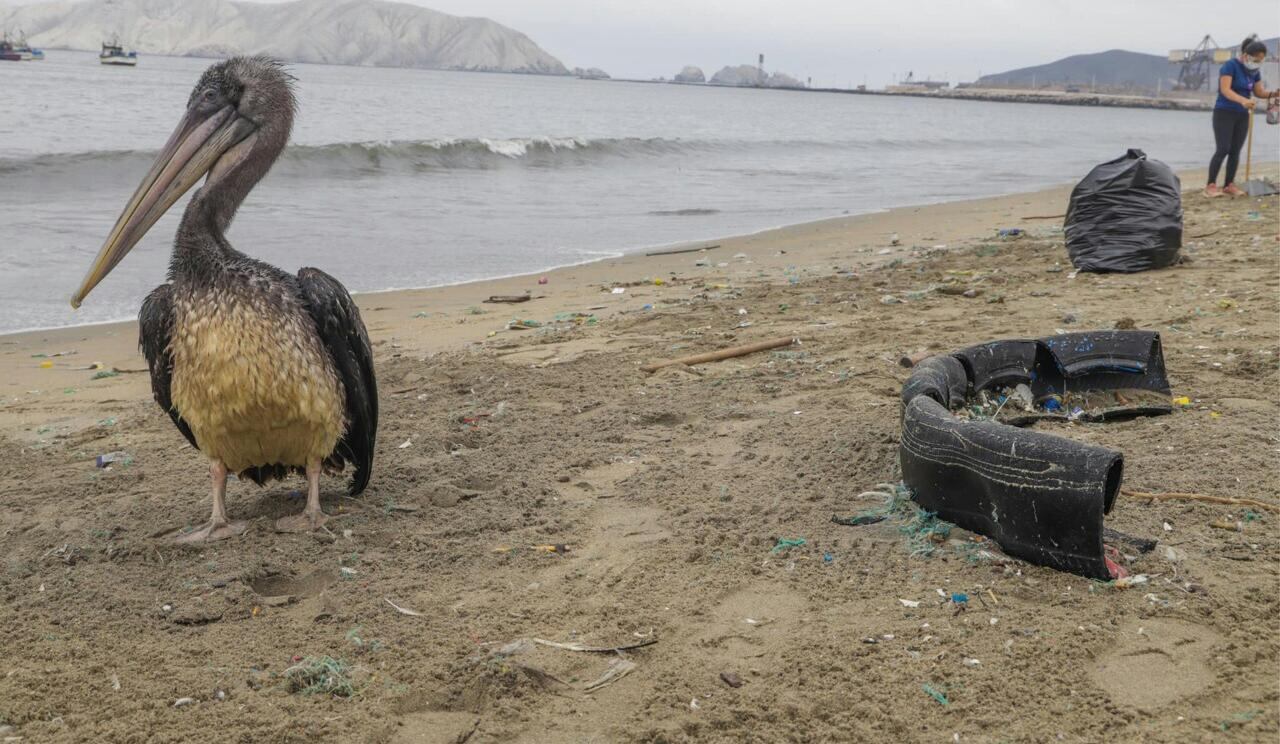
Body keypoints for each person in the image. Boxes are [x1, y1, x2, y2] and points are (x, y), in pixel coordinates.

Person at [1205, 37, 1275, 197]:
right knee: (1223, 149)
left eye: (1261, 60)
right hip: (1224, 112)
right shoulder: (1230, 66)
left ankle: (1229, 184)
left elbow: (1259, 92)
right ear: (1246, 56)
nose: (1257, 63)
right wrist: (1243, 100)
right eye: (1255, 59)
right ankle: (1210, 185)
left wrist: (1273, 94)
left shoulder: (1255, 71)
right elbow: (1225, 90)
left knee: (1235, 150)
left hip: (1243, 114)